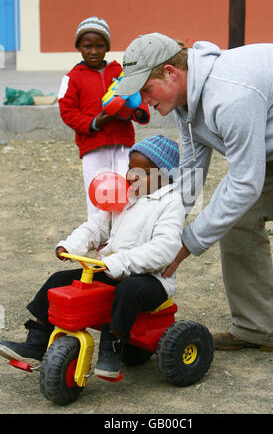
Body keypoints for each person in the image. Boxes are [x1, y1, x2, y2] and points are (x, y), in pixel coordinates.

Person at [114, 32, 273, 352]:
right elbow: (190, 172)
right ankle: (257, 328)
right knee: (235, 218)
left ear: (171, 72)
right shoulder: (185, 103)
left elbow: (245, 182)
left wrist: (186, 244)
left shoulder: (231, 96)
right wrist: (159, 228)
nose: (144, 102)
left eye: (146, 89)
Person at [0, 135, 185, 378]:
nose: (132, 177)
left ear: (164, 176)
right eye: (130, 169)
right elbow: (97, 226)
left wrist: (119, 262)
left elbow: (164, 248)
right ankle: (36, 342)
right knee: (58, 282)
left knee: (128, 290)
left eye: (143, 173)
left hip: (151, 279)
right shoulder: (126, 194)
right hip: (109, 269)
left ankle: (113, 347)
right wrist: (71, 246)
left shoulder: (171, 203)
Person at [58, 16, 150, 217]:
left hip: (123, 143)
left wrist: (139, 110)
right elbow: (67, 111)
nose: (93, 51)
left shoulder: (119, 72)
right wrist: (93, 123)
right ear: (79, 48)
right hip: (93, 145)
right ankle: (99, 238)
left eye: (99, 46)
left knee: (125, 189)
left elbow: (135, 95)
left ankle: (121, 236)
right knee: (98, 190)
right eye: (87, 46)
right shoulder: (72, 78)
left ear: (107, 48)